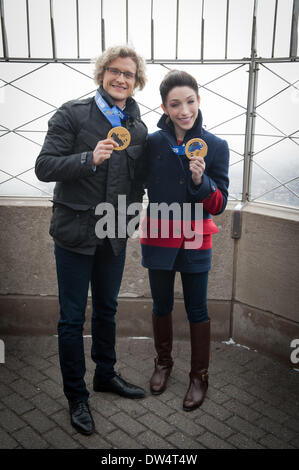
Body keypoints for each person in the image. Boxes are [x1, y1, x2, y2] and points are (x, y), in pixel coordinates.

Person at [35, 45, 148, 435]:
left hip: (112, 234)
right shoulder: (72, 113)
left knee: (107, 308)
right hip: (74, 232)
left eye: (129, 74)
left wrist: (129, 220)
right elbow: (44, 166)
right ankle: (76, 395)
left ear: (137, 82)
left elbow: (137, 185)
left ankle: (105, 374)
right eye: (114, 71)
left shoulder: (137, 126)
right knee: (71, 318)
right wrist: (88, 158)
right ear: (103, 74)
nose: (121, 78)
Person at [141, 70, 229, 411]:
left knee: (197, 309)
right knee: (161, 305)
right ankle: (163, 363)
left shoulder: (217, 146)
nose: (184, 110)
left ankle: (199, 376)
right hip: (159, 235)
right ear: (164, 106)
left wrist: (202, 180)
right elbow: (135, 181)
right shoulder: (151, 143)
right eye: (175, 104)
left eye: (189, 101)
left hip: (196, 237)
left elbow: (219, 204)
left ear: (198, 100)